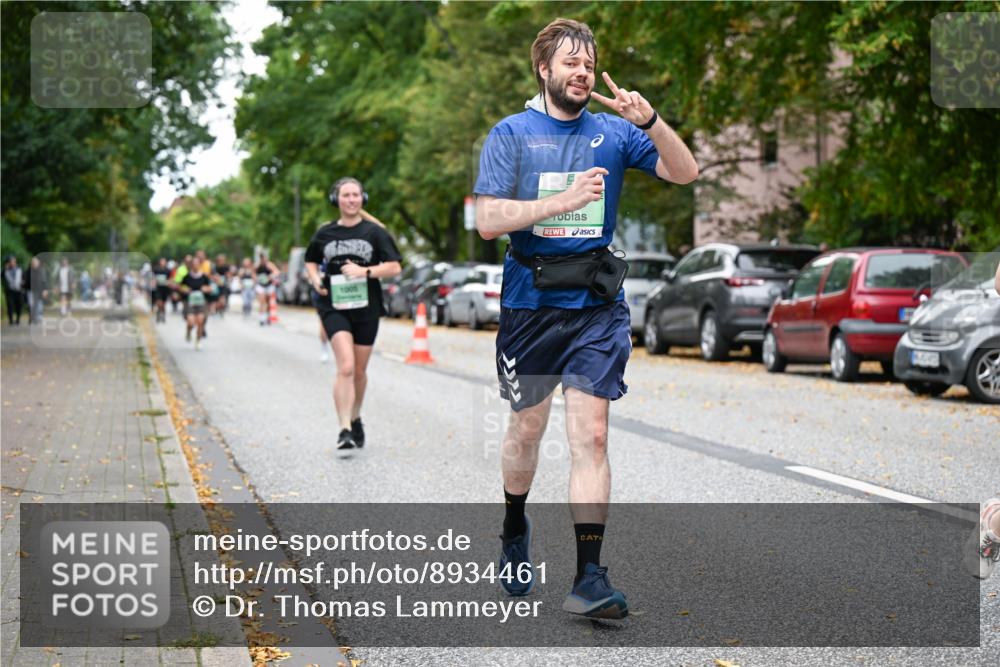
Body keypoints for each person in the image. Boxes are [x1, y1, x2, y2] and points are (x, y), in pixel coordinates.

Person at [474, 18, 698, 619]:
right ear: (544, 70)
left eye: (589, 61)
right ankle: (515, 525)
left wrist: (648, 122)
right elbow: (489, 221)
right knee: (527, 431)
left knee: (591, 436)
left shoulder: (613, 133)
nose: (582, 71)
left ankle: (589, 577)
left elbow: (686, 173)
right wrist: (560, 203)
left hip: (597, 307)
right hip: (530, 306)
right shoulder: (512, 134)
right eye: (570, 61)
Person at [305, 177, 402, 453]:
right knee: (345, 366)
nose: (351, 200)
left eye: (356, 195)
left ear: (363, 199)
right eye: (346, 195)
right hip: (333, 305)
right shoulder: (324, 233)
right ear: (336, 200)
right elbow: (310, 260)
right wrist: (314, 279)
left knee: (359, 371)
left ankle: (356, 415)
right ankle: (344, 428)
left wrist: (365, 272)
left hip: (367, 308)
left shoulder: (375, 232)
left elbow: (394, 267)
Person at [179, 258, 212, 350]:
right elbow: (181, 287)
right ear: (191, 265)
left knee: (200, 321)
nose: (195, 266)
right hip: (190, 302)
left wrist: (206, 289)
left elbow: (210, 288)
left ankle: (198, 341)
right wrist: (184, 290)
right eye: (193, 264)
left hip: (201, 302)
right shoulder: (187, 277)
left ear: (199, 265)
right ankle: (188, 331)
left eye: (197, 264)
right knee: (191, 322)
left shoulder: (204, 277)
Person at [255, 252, 280, 326]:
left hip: (269, 285)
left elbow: (277, 272)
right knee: (262, 301)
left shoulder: (269, 265)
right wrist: (256, 278)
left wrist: (270, 276)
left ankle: (268, 317)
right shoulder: (257, 265)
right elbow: (253, 272)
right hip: (261, 286)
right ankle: (261, 319)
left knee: (268, 302)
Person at [24, 256, 48, 324]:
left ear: (38, 263)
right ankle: (32, 317)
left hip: (39, 291)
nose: (34, 263)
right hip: (30, 290)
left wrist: (45, 290)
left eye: (35, 262)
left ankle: (36, 318)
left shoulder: (41, 271)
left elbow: (44, 281)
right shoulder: (28, 271)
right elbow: (25, 280)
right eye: (33, 262)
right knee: (31, 304)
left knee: (38, 305)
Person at [2, 256, 24, 326]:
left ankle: (18, 319)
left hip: (18, 290)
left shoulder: (19, 269)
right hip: (9, 291)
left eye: (13, 261)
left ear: (15, 262)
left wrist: (23, 282)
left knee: (19, 305)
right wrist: (5, 269)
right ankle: (11, 321)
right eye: (11, 261)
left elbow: (24, 277)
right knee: (10, 305)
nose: (12, 263)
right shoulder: (5, 270)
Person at [151, 258, 171, 323]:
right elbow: (152, 277)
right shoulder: (156, 269)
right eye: (161, 261)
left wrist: (168, 282)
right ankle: (158, 313)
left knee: (163, 304)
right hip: (158, 288)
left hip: (165, 289)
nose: (162, 263)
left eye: (164, 261)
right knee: (159, 303)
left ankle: (162, 314)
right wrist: (153, 282)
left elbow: (171, 279)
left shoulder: (168, 270)